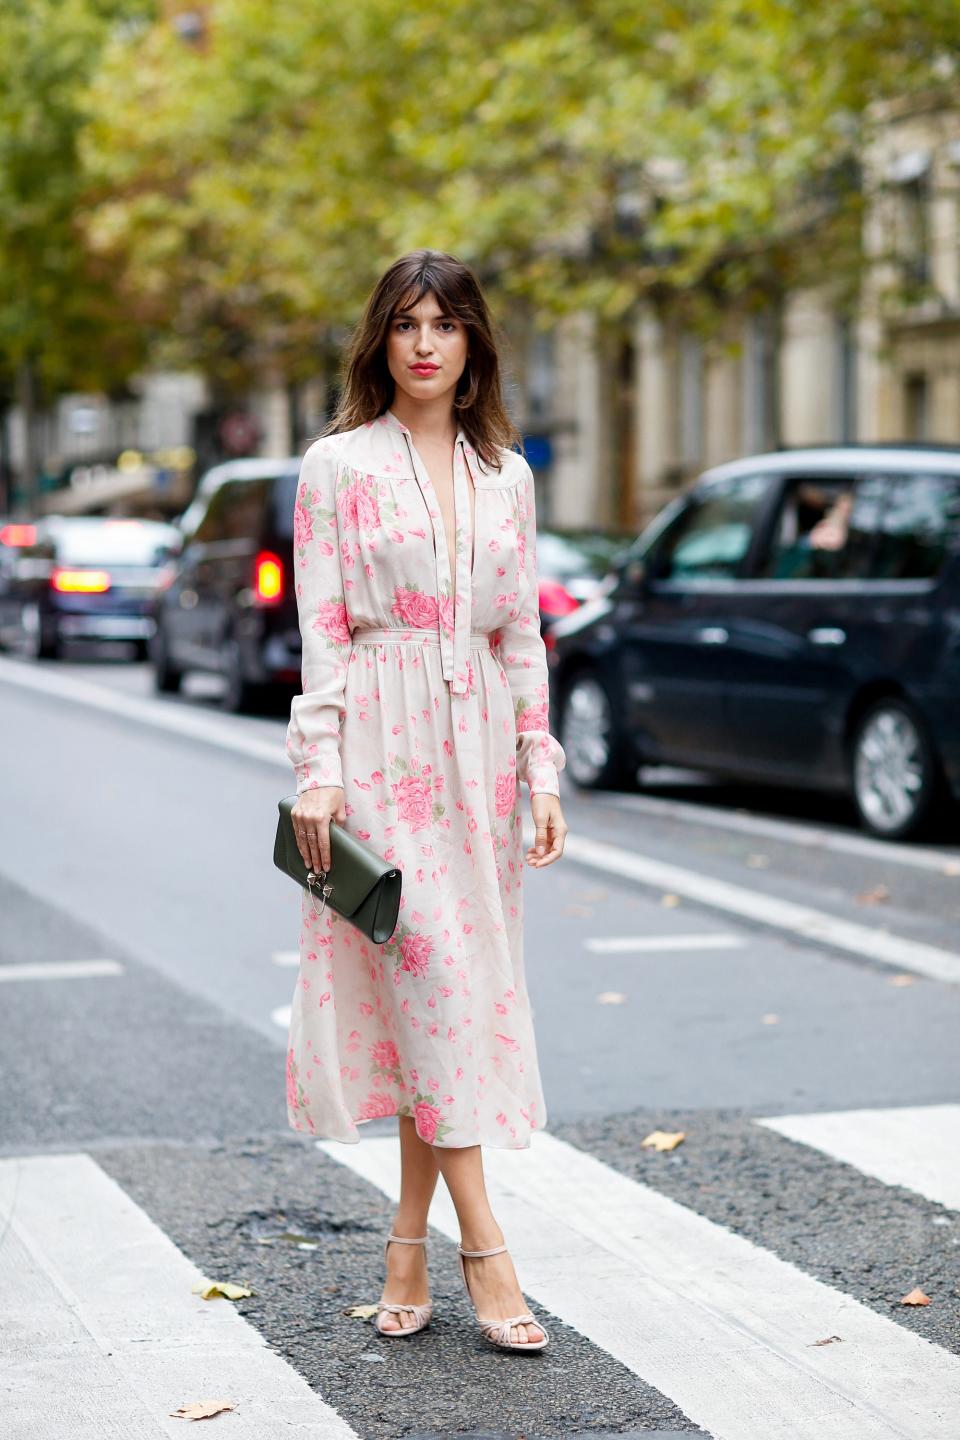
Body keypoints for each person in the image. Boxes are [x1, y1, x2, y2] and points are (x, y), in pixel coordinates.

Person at [285, 249, 568, 1352]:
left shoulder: (509, 473)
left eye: (445, 325)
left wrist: (539, 768)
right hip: (378, 746)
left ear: (473, 344)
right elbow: (325, 627)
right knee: (431, 973)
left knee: (439, 1004)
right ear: (381, 339)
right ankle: (485, 1248)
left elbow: (519, 633)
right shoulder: (335, 467)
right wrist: (320, 766)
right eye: (405, 324)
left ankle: (407, 1233)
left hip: (481, 753)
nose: (424, 343)